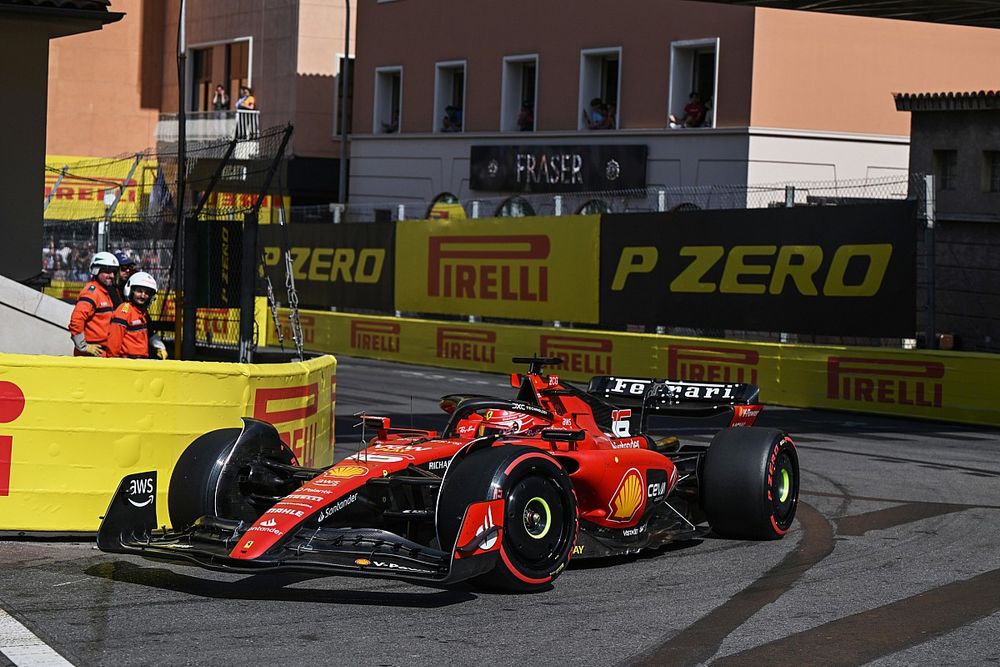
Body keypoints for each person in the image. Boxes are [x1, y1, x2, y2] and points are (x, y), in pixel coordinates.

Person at [106, 272, 168, 360]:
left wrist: (160, 347)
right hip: (126, 361)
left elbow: (150, 333)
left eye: (147, 293)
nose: (143, 295)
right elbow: (114, 344)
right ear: (131, 291)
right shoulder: (124, 311)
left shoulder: (142, 313)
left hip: (140, 360)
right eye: (139, 291)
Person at [68, 251, 119, 357]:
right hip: (92, 354)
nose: (112, 275)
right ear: (96, 270)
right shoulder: (92, 292)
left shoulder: (103, 291)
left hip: (99, 352)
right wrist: (84, 346)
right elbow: (76, 320)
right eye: (107, 271)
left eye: (114, 271)